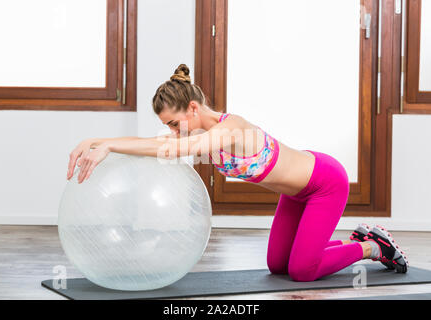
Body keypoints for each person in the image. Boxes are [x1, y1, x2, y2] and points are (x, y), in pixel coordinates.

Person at [66, 64, 409, 281]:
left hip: (324, 183)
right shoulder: (197, 132)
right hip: (295, 193)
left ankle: (370, 246)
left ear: (193, 108)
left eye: (173, 122)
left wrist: (107, 144)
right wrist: (98, 140)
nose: (172, 130)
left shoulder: (230, 130)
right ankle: (326, 244)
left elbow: (168, 150)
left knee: (302, 271)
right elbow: (153, 144)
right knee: (279, 266)